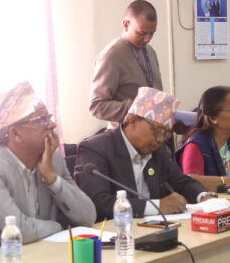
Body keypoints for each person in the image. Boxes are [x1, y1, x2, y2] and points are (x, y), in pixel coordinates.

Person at [0, 82, 96, 254]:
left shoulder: (52, 158)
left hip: (35, 258)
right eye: (42, 119)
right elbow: (17, 231)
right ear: (15, 133)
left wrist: (52, 179)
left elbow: (88, 217)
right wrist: (57, 227)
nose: (52, 125)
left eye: (49, 117)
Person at [75, 87, 213, 222]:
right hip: (114, 231)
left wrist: (204, 196)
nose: (160, 139)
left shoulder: (157, 151)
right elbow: (97, 201)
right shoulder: (96, 148)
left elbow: (182, 182)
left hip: (153, 229)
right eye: (157, 131)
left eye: (166, 134)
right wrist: (157, 207)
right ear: (134, 121)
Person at [89, 0, 163, 127]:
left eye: (152, 33)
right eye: (142, 33)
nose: (147, 39)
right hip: (124, 135)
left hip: (152, 133)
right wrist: (137, 108)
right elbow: (96, 106)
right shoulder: (111, 56)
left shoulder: (150, 51)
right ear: (126, 25)